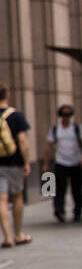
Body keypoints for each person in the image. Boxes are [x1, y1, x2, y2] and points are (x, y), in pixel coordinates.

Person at [0, 83, 33, 248]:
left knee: (1, 200)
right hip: (13, 163)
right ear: (7, 95)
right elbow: (23, 141)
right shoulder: (16, 116)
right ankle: (18, 234)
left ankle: (6, 237)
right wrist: (26, 162)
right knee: (17, 197)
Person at [44, 104, 82, 223]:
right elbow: (48, 146)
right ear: (61, 116)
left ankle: (77, 212)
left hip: (75, 161)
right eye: (64, 115)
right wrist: (46, 163)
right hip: (61, 161)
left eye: (68, 115)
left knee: (77, 189)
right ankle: (59, 210)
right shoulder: (55, 129)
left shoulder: (77, 128)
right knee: (60, 189)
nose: (66, 117)